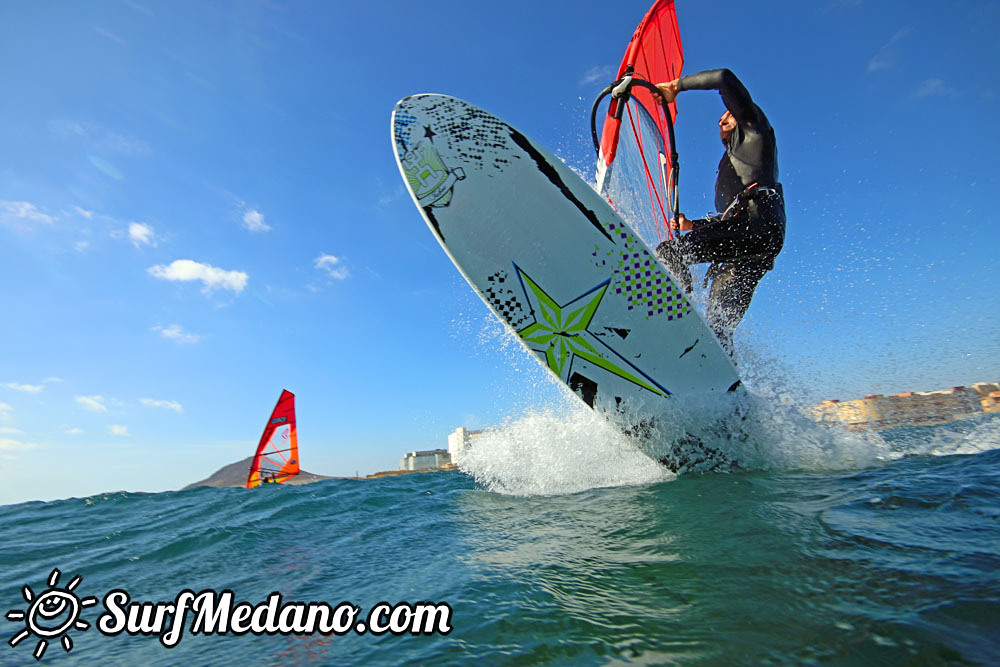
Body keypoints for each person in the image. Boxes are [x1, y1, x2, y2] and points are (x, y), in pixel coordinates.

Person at [653, 69, 785, 356]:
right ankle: (726, 388)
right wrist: (693, 224)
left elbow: (724, 78)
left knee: (670, 252)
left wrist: (676, 86)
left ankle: (680, 327)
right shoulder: (735, 165)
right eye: (720, 117)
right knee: (718, 329)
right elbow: (728, 217)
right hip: (756, 243)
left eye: (729, 113)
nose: (722, 118)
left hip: (757, 226)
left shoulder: (755, 131)